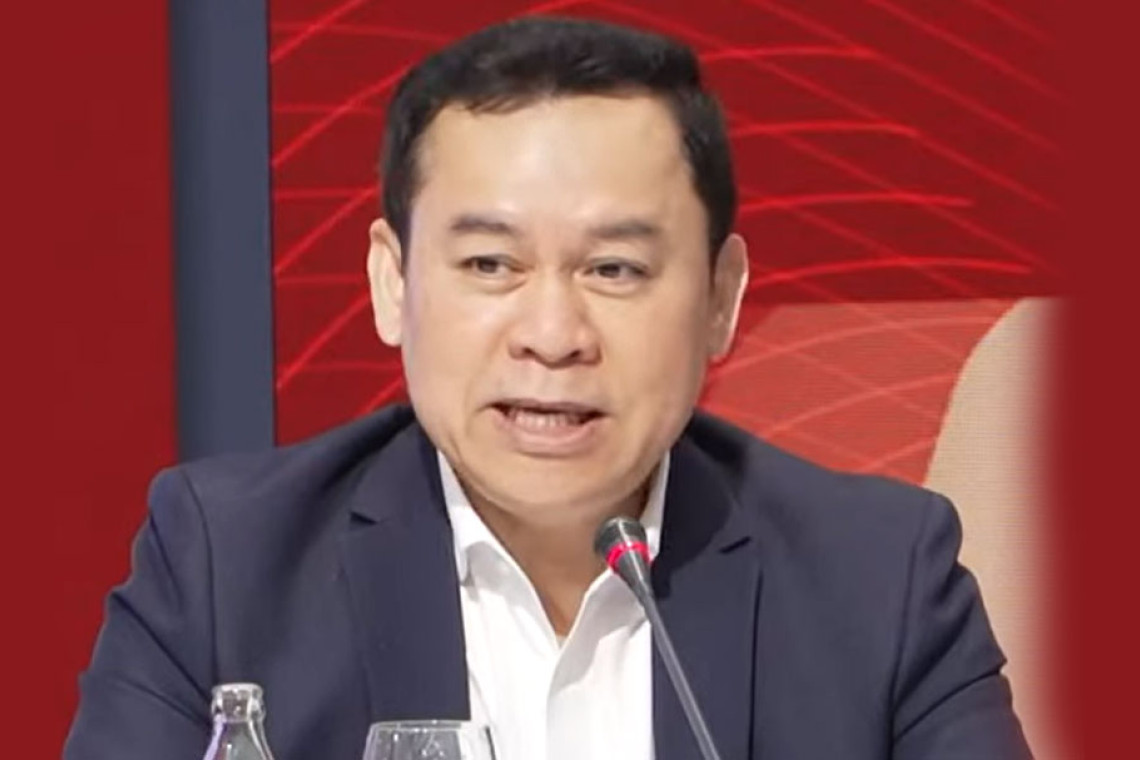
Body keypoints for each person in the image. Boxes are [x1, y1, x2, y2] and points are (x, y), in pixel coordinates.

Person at [65, 15, 1031, 760]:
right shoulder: (226, 568)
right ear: (392, 284)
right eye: (491, 265)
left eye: (614, 269)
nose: (554, 336)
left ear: (720, 299)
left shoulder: (881, 582)